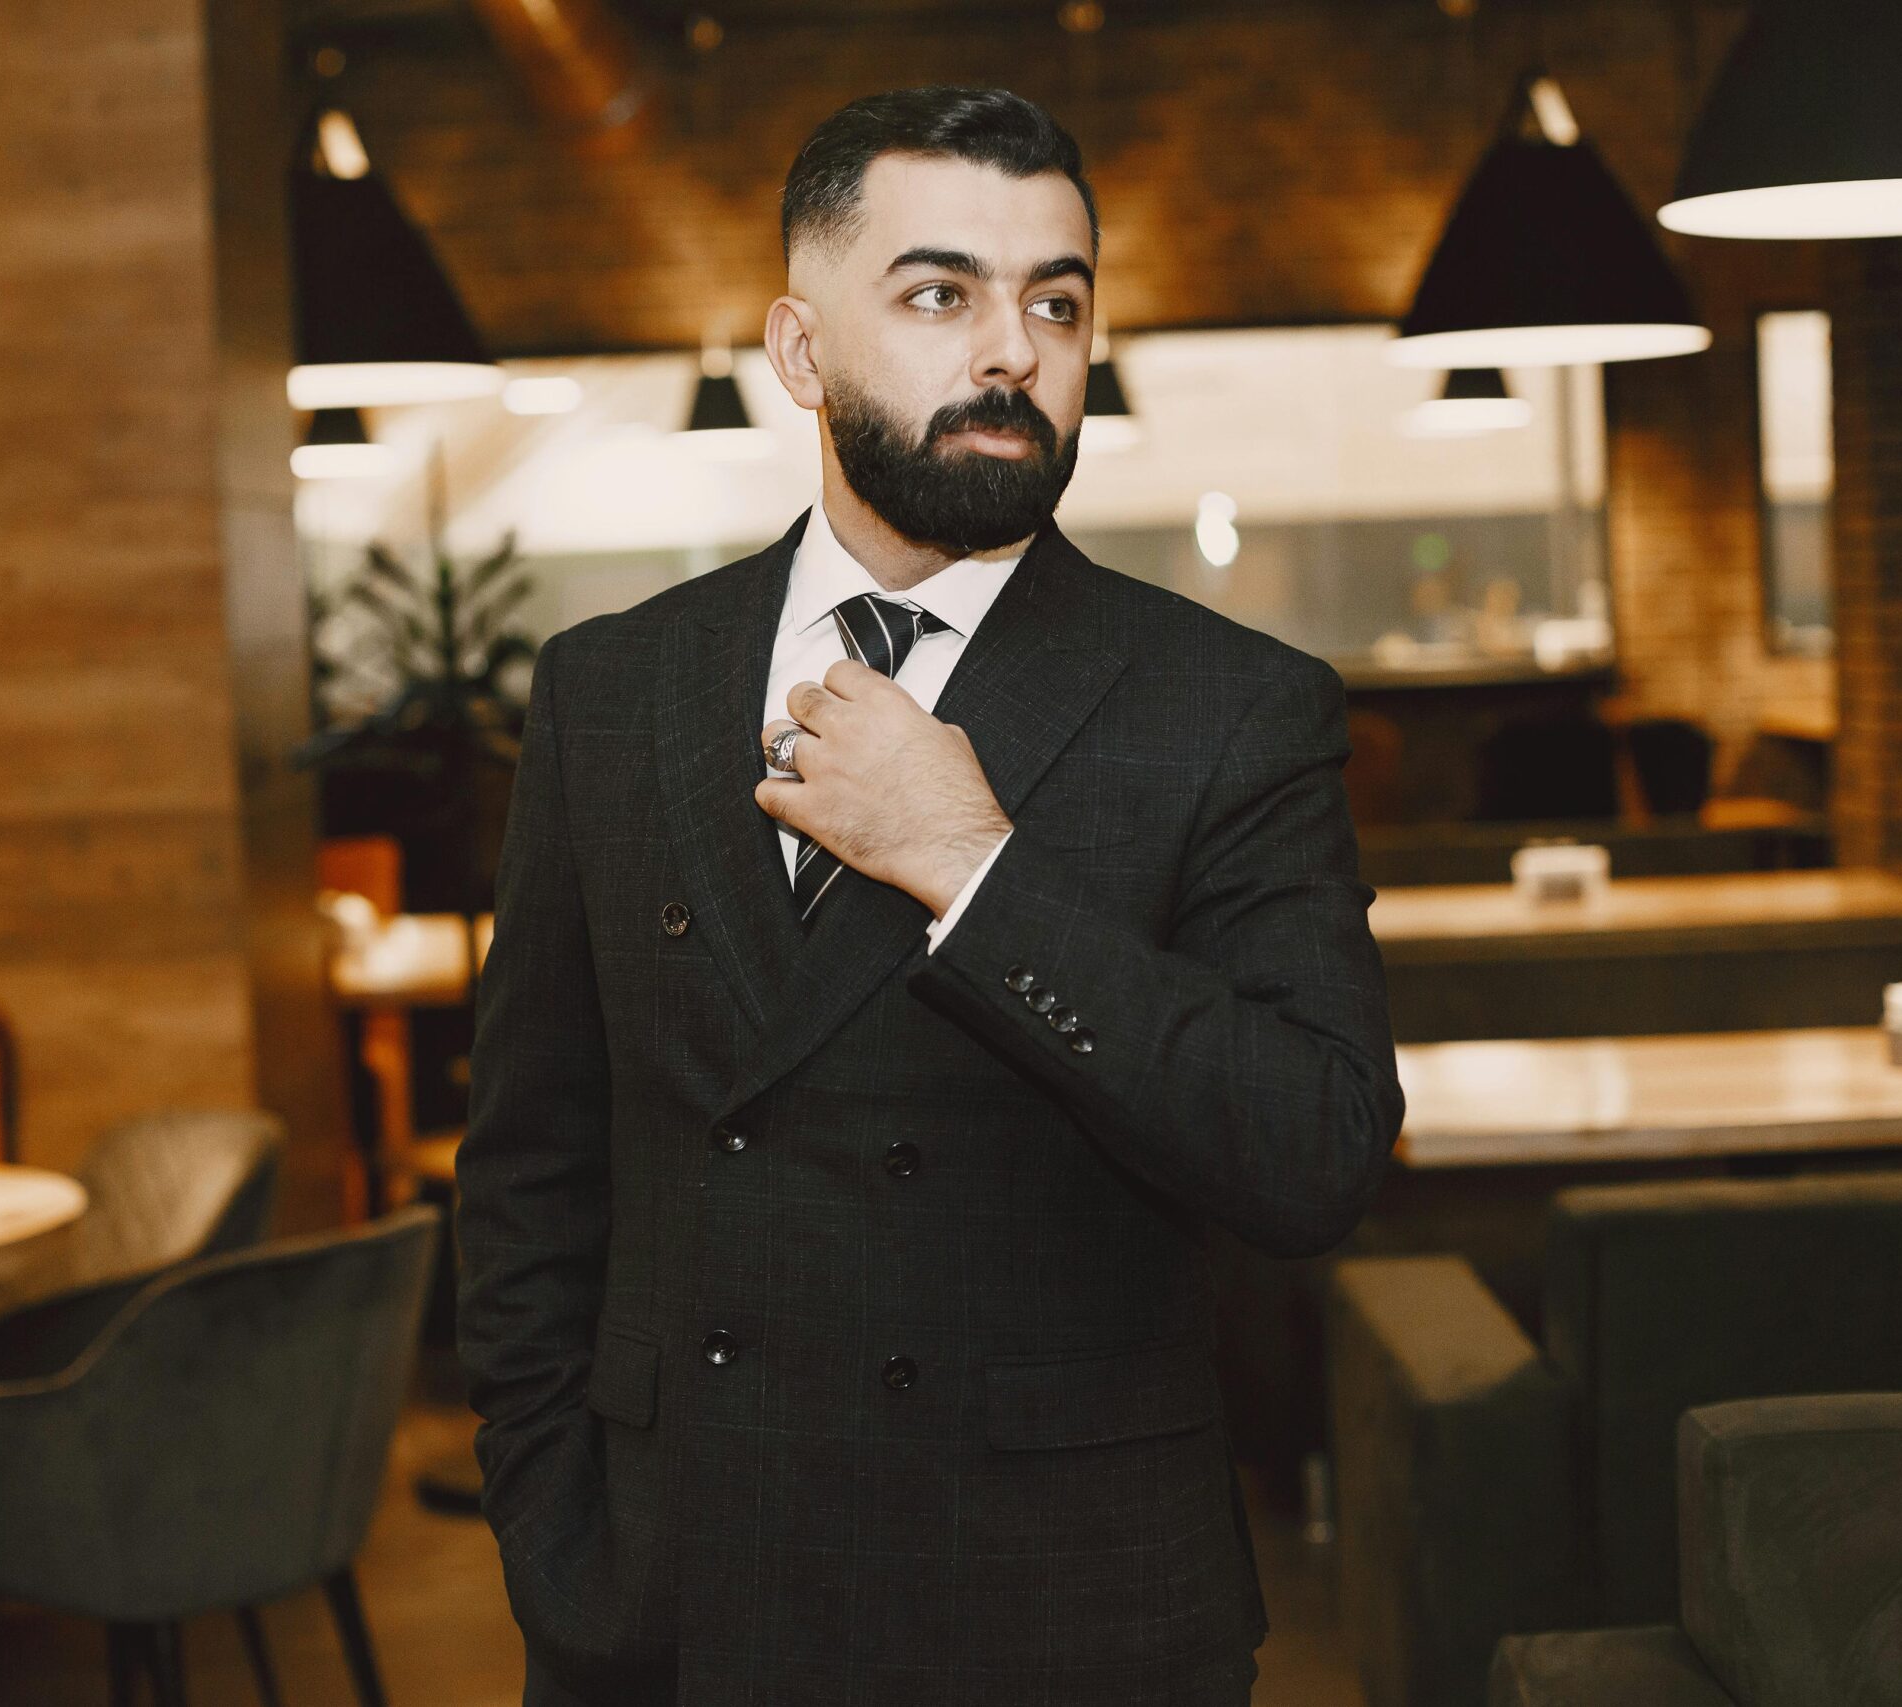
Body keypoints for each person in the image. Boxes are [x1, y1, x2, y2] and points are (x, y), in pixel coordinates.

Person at [457, 84, 1404, 1707]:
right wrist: (556, 1520)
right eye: (938, 293)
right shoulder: (612, 690)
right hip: (672, 1597)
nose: (1012, 348)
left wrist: (975, 870)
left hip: (1053, 1606)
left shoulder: (1230, 706)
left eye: (1056, 299)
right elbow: (532, 1164)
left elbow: (1316, 1153)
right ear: (803, 352)